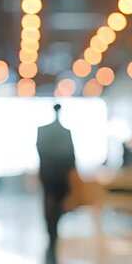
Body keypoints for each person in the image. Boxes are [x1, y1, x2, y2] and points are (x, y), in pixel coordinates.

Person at [36, 104, 76, 249]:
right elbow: (72, 157)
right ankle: (52, 231)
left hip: (50, 174)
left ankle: (52, 230)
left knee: (51, 203)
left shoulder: (45, 131)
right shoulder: (63, 132)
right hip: (57, 175)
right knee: (53, 203)